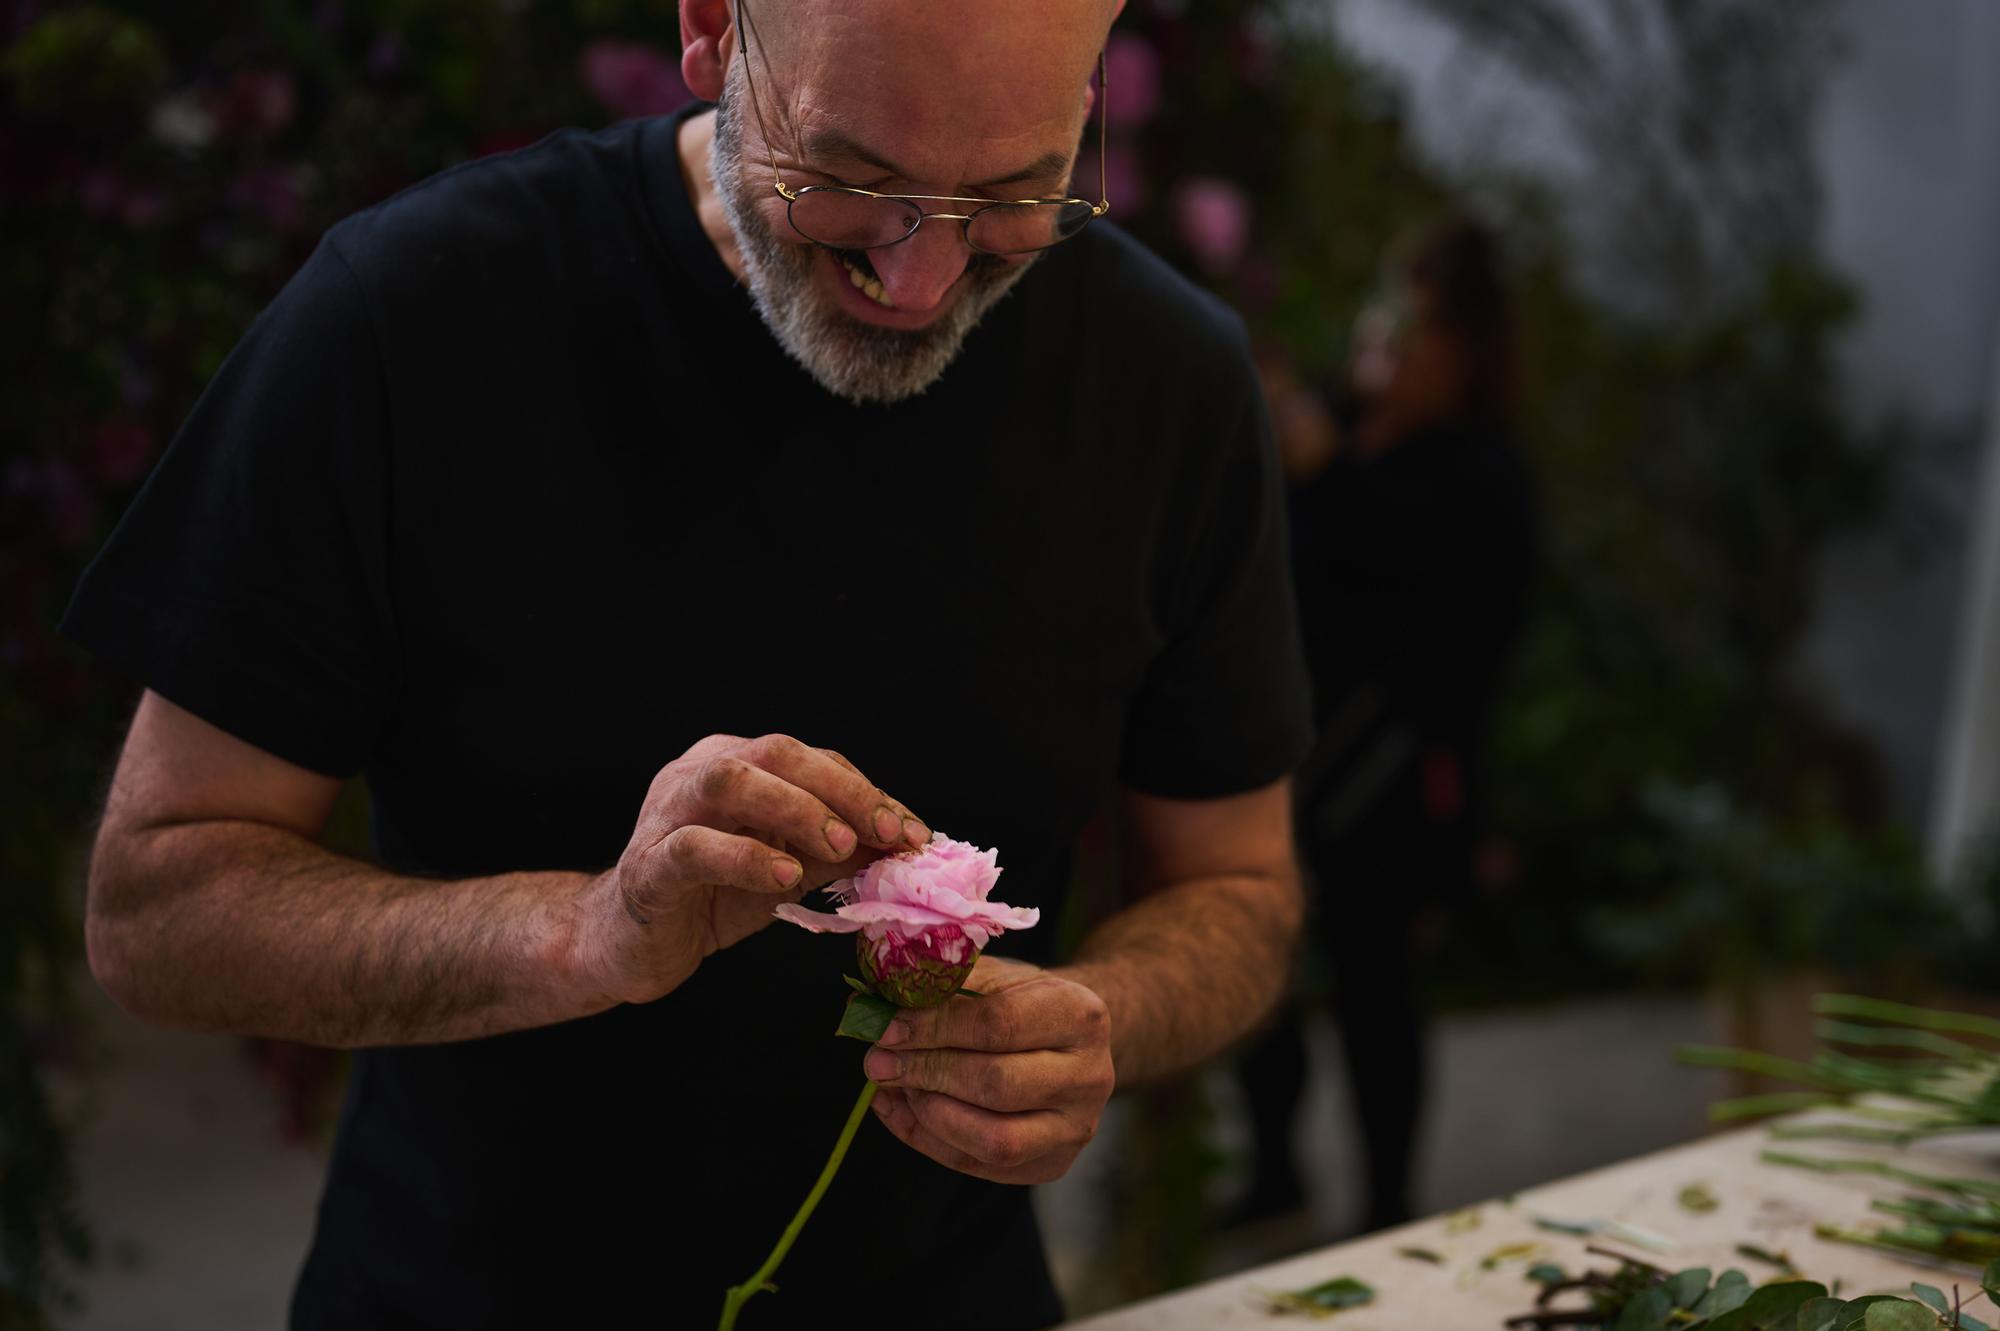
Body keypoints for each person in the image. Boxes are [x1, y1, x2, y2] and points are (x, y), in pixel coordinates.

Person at [61, 1, 1314, 1327]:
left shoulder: (1170, 382)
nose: (924, 276)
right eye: (850, 182)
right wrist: (580, 934)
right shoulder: (418, 310)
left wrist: (1100, 1015)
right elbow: (155, 905)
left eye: (1011, 195)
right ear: (715, 31)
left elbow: (1239, 887)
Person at [1231, 217, 1539, 1236]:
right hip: (1283, 751)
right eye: (1387, 315)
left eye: (1419, 326)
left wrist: (1330, 476)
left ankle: (1386, 1203)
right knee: (1250, 968)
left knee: (1374, 988)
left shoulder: (1478, 474)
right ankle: (1272, 1168)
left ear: (1464, 351)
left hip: (1394, 776)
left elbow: (1432, 607)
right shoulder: (1328, 425)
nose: (1388, 342)